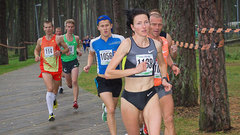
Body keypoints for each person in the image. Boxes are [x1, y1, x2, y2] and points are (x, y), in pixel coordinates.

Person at [105, 8, 172, 135]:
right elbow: (109, 72)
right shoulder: (127, 44)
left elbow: (162, 64)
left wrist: (164, 79)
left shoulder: (156, 45)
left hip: (150, 95)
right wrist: (134, 70)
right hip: (130, 98)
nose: (144, 26)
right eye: (139, 23)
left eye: (146, 22)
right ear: (132, 27)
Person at [83, 15, 124, 135]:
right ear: (98, 28)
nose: (105, 28)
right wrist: (89, 65)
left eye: (107, 25)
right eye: (102, 26)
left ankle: (105, 109)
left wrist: (121, 55)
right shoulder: (94, 42)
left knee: (112, 107)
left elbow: (128, 52)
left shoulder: (120, 39)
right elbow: (91, 54)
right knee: (112, 109)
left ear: (111, 26)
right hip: (102, 79)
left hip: (116, 79)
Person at [143, 12, 181, 135]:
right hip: (146, 86)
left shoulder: (164, 40)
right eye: (153, 24)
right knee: (151, 123)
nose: (157, 28)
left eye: (159, 25)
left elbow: (167, 56)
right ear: (147, 24)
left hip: (163, 84)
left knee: (169, 119)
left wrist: (173, 65)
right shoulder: (142, 42)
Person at [34, 21, 69, 121]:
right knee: (49, 88)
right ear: (43, 29)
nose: (48, 29)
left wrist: (60, 52)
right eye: (46, 27)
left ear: (52, 28)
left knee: (55, 90)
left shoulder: (58, 38)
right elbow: (36, 50)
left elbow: (66, 49)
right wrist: (37, 56)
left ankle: (53, 99)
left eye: (50, 27)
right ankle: (51, 113)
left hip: (57, 68)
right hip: (45, 67)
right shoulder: (40, 40)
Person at [61, 19, 82, 109]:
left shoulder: (76, 38)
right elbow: (58, 50)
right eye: (68, 27)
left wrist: (78, 51)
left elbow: (77, 47)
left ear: (74, 27)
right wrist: (64, 52)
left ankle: (75, 101)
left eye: (72, 27)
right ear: (65, 27)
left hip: (74, 61)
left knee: (74, 81)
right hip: (65, 62)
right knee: (69, 84)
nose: (70, 28)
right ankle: (65, 76)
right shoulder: (61, 38)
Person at [55, 27, 64, 94]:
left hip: (64, 57)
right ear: (55, 32)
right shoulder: (54, 39)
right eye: (57, 31)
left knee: (61, 74)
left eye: (59, 31)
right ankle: (59, 87)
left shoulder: (63, 38)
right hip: (56, 59)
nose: (58, 32)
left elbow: (67, 47)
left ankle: (60, 87)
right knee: (58, 74)